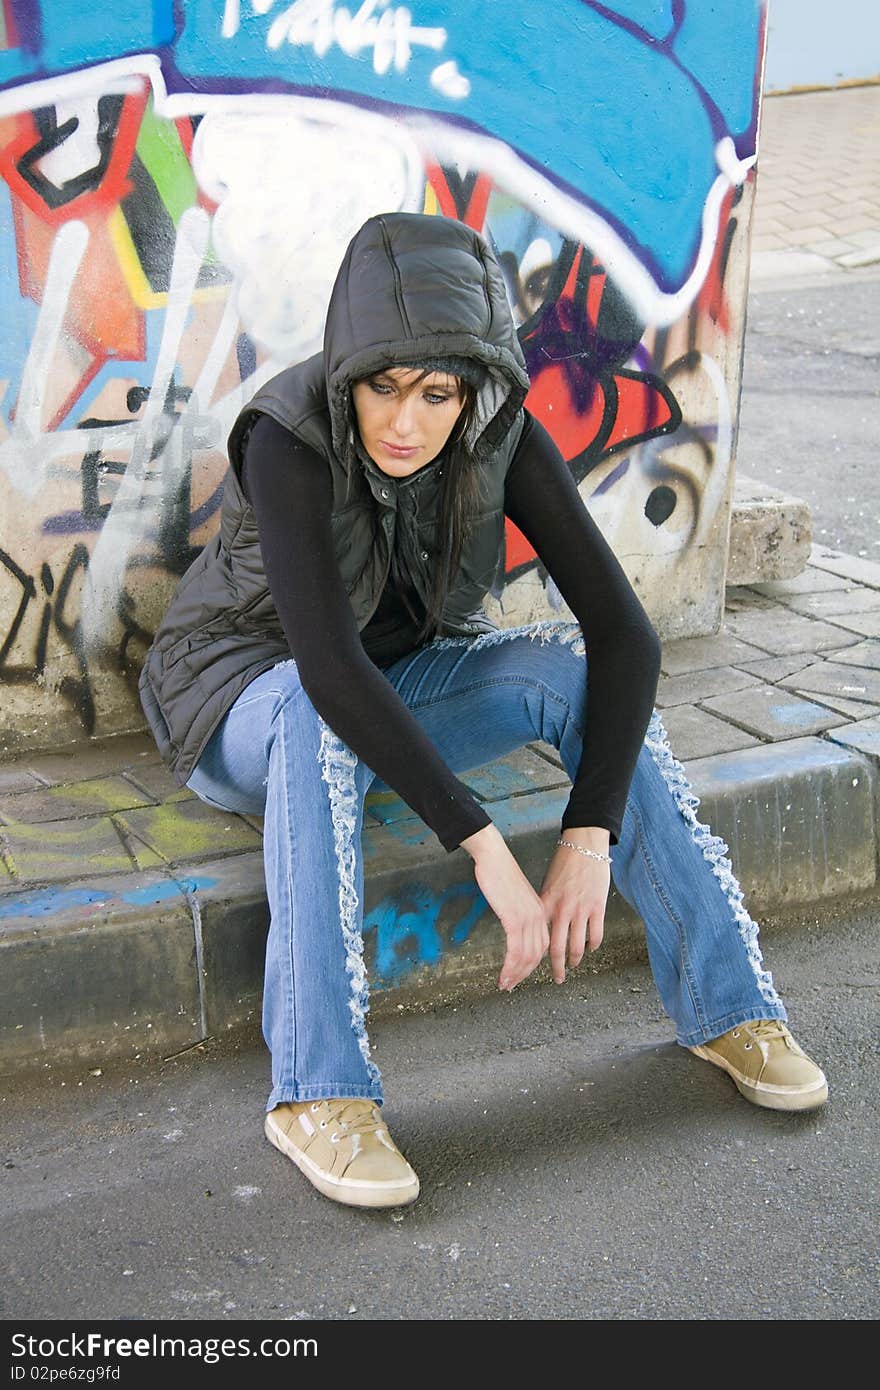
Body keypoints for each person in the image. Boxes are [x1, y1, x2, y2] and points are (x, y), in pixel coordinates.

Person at [138, 211, 827, 1210]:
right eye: (384, 385)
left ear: (474, 386)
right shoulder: (291, 436)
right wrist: (488, 845)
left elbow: (623, 634)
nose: (407, 421)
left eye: (438, 392)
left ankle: (730, 1006)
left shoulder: (498, 434)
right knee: (308, 707)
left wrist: (587, 832)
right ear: (350, 371)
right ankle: (316, 1092)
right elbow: (327, 669)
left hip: (387, 688)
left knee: (557, 668)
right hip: (242, 697)